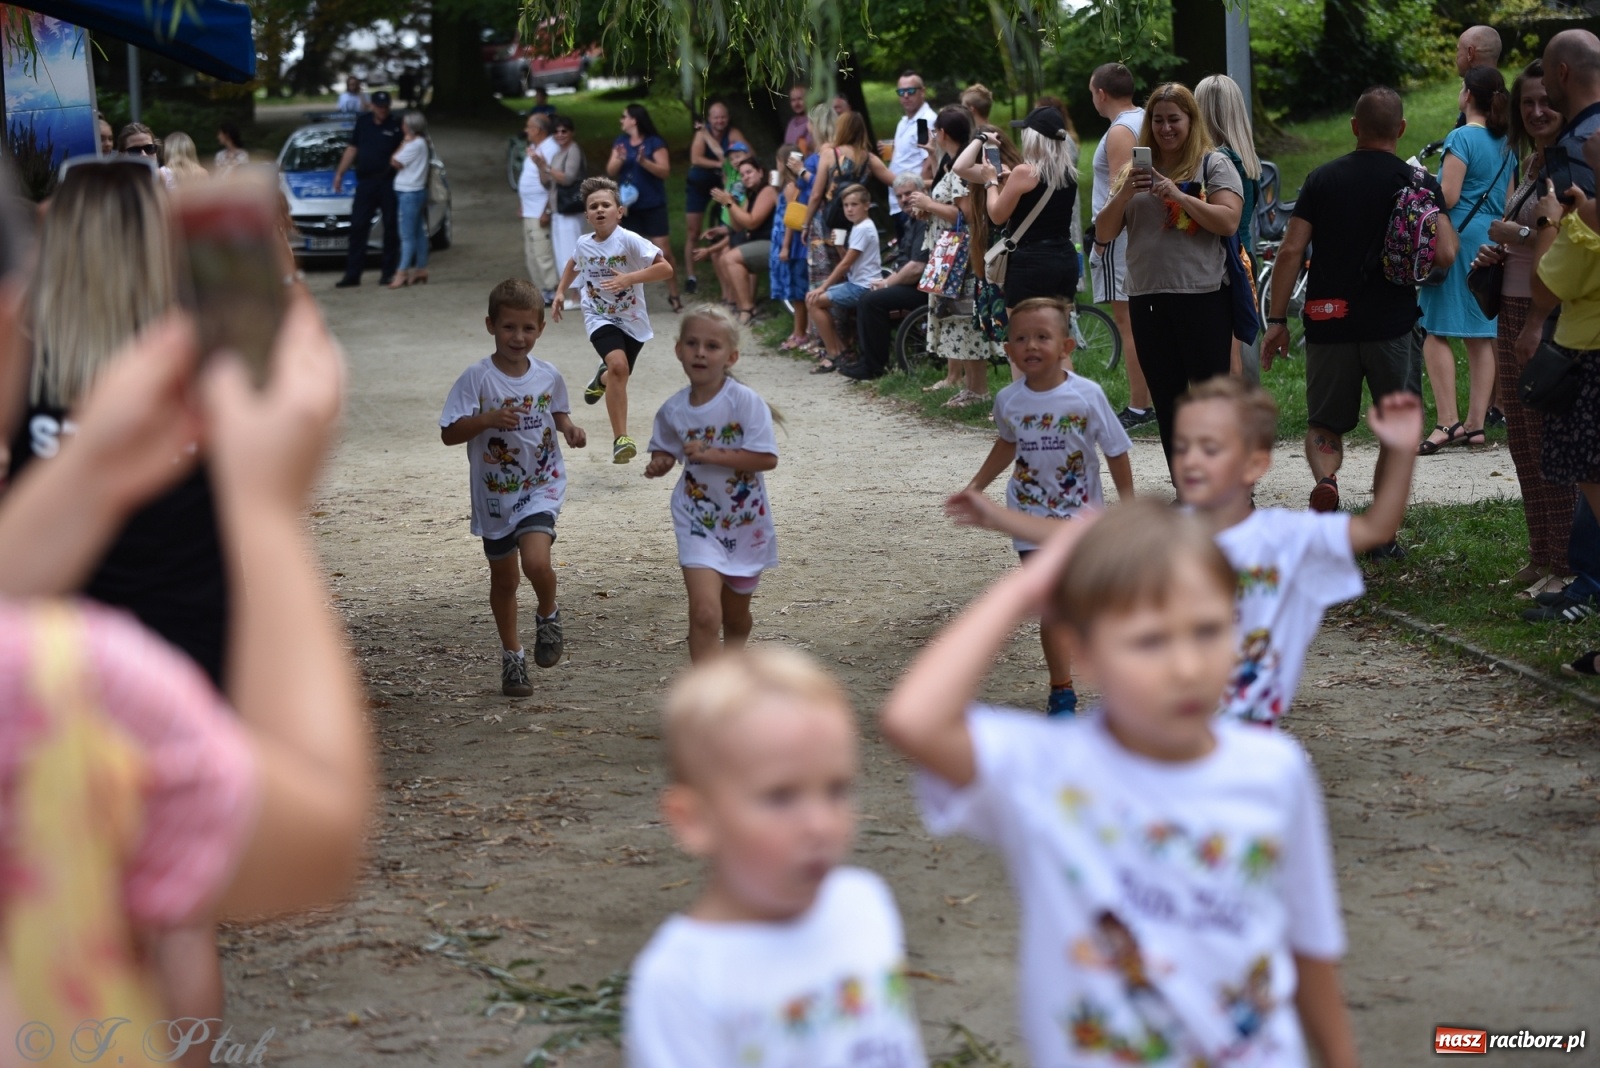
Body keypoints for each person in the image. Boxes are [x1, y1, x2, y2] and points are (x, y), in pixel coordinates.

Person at [0, 208, 369, 1059]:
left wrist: (82, 475)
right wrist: (267, 511)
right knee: (178, 917)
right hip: (182, 645)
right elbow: (318, 841)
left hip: (117, 619)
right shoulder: (54, 679)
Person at [880, 502, 1359, 1068]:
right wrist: (1030, 586)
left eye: (1209, 630)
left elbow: (1309, 945)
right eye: (1149, 641)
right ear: (1082, 653)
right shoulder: (1048, 770)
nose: (1185, 666)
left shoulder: (1275, 770)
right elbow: (913, 720)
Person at [946, 377, 1422, 726]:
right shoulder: (1167, 529)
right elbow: (1080, 535)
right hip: (1167, 722)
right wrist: (995, 516)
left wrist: (1400, 450)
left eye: (1209, 448)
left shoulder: (1285, 536)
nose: (1191, 459)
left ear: (1255, 463)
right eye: (1183, 447)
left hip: (1250, 735)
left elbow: (1378, 527)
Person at [625, 648, 925, 1065]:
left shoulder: (864, 905)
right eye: (780, 797)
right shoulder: (682, 981)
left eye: (837, 789)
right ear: (693, 820)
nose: (820, 825)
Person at [1263, 87, 1456, 516]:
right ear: (1401, 129)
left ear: (1354, 128)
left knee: (1324, 424)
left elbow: (1291, 251)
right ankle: (1381, 525)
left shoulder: (1322, 179)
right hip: (1391, 323)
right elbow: (1445, 253)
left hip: (1328, 320)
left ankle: (1327, 480)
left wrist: (1277, 320)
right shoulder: (1419, 182)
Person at [958, 297, 1133, 717]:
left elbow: (1116, 450)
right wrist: (976, 487)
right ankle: (1062, 690)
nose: (1030, 345)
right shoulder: (1009, 400)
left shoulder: (1087, 396)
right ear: (1007, 350)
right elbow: (1007, 443)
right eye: (1020, 338)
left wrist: (1129, 512)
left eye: (1042, 337)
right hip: (1029, 517)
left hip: (1082, 521)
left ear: (1066, 346)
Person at [440, 279, 585, 696]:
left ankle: (547, 615)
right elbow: (450, 433)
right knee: (504, 581)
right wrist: (485, 420)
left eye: (527, 328)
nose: (518, 337)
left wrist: (570, 428)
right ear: (491, 325)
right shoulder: (477, 379)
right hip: (495, 495)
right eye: (508, 328)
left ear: (540, 328)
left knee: (537, 563)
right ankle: (513, 658)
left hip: (540, 482)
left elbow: (557, 411)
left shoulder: (548, 375)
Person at [1094, 82, 1243, 468]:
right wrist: (1124, 193)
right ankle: (1186, 486)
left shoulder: (1214, 164)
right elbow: (1105, 233)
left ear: (1191, 120)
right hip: (1147, 299)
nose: (1165, 129)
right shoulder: (1133, 170)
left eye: (1174, 119)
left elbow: (1228, 221)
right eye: (1158, 120)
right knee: (1168, 399)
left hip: (1203, 296)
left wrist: (1179, 196)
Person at [1470, 61, 1577, 590]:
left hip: (1549, 315)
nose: (1536, 112)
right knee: (1522, 442)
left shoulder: (1571, 166)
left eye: (1546, 102)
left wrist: (1509, 231)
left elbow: (1568, 240)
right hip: (1512, 310)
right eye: (1527, 104)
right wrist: (1498, 249)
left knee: (1549, 442)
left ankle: (1565, 564)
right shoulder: (1532, 162)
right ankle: (1541, 553)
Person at [644, 307, 780, 662]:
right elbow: (666, 448)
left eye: (712, 346)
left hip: (744, 523)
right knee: (705, 615)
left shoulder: (745, 402)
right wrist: (661, 462)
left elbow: (766, 459)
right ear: (678, 350)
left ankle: (732, 670)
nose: (700, 352)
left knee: (735, 619)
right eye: (692, 343)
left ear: (730, 356)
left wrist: (713, 453)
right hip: (697, 518)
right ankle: (708, 702)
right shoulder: (673, 410)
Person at [1520, 135, 1600, 624]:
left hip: (1588, 360)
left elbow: (1545, 286)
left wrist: (1550, 221)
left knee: (1592, 479)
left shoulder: (1586, 223)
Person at [1417, 67, 1511, 454]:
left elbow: (1450, 197)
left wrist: (1423, 177)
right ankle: (1475, 425)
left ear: (1469, 94)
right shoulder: (1507, 141)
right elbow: (1507, 201)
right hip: (1491, 239)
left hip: (1456, 240)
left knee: (1433, 328)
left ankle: (1446, 421)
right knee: (1481, 334)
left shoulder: (1460, 137)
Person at [553, 177, 675, 464]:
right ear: (587, 215)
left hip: (631, 319)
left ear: (619, 211)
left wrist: (629, 278)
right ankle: (621, 439)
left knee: (618, 374)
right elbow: (573, 262)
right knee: (619, 365)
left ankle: (602, 378)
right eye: (593, 206)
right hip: (598, 316)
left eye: (605, 205)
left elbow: (666, 269)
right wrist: (561, 291)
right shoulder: (584, 244)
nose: (599, 210)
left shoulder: (629, 240)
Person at [906, 105, 998, 407]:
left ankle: (978, 390)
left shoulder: (960, 166)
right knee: (958, 318)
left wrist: (929, 205)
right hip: (952, 252)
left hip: (962, 256)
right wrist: (929, 210)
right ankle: (971, 387)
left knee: (964, 317)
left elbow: (968, 214)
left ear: (942, 133)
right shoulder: (952, 163)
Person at [955, 105, 1080, 307]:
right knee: (1056, 330)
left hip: (1031, 263)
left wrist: (990, 182)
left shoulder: (1024, 172)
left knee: (1024, 333)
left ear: (1034, 138)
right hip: (1065, 258)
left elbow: (996, 215)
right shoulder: (1069, 174)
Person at [1087, 63, 1153, 429]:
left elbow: (1120, 190)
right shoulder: (1144, 118)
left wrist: (1102, 240)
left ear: (1101, 93)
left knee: (1128, 323)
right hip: (1139, 233)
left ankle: (1139, 406)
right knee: (1141, 322)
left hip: (1120, 236)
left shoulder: (1119, 132)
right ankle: (1151, 398)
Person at [1196, 75, 1263, 382]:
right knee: (1236, 349)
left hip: (1226, 259)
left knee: (1227, 355)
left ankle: (1234, 422)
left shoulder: (1217, 161)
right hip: (1244, 254)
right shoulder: (1245, 158)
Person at [839, 173, 929, 381]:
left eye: (908, 193)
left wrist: (887, 283)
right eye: (899, 196)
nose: (904, 199)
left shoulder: (925, 221)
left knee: (872, 300)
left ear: (922, 192)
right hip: (910, 283)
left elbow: (916, 267)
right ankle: (868, 361)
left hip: (924, 289)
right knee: (868, 298)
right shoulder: (912, 220)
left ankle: (874, 367)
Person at [607, 104, 683, 311]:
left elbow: (664, 171)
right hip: (629, 206)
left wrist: (644, 161)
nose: (621, 120)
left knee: (664, 252)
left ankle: (674, 293)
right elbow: (610, 170)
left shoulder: (654, 143)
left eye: (624, 117)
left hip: (653, 204)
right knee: (624, 253)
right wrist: (621, 160)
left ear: (635, 120)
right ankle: (624, 297)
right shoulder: (621, 143)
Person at [804, 184, 879, 373]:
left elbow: (845, 265)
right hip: (857, 282)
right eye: (846, 205)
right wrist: (839, 246)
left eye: (854, 204)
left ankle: (834, 354)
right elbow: (851, 261)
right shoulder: (859, 226)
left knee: (814, 301)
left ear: (866, 205)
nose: (850, 209)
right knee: (813, 300)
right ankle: (840, 351)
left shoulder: (863, 228)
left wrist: (822, 287)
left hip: (863, 287)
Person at [331, 90, 402, 288]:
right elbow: (352, 148)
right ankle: (352, 275)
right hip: (366, 182)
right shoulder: (363, 123)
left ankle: (388, 273)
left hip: (389, 182)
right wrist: (340, 173)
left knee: (391, 228)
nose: (383, 110)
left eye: (386, 106)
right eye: (379, 106)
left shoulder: (396, 125)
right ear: (372, 106)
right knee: (358, 227)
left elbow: (407, 145)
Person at [699, 156, 777, 325]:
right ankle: (744, 307)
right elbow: (739, 226)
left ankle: (747, 309)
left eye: (749, 172)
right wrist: (730, 204)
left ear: (760, 172)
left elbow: (752, 221)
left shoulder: (768, 191)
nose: (746, 177)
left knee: (730, 257)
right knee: (728, 256)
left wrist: (730, 204)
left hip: (774, 244)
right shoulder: (751, 195)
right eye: (742, 175)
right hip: (758, 242)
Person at [685, 101, 749, 295]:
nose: (720, 121)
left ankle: (727, 273)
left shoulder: (733, 135)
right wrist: (721, 163)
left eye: (723, 117)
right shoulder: (702, 134)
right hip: (698, 184)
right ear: (709, 119)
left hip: (723, 185)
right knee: (693, 231)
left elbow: (741, 155)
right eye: (716, 117)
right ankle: (691, 276)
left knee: (728, 223)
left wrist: (725, 165)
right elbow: (696, 159)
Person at [769, 143, 812, 349]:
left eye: (778, 161)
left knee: (797, 290)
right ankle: (801, 331)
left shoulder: (790, 187)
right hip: (787, 241)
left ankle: (800, 333)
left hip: (793, 243)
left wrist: (785, 246)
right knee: (795, 290)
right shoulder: (788, 186)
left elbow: (790, 219)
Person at [889, 70, 937, 246]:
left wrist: (917, 193)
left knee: (914, 255)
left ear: (922, 91)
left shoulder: (926, 121)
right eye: (901, 92)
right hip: (900, 200)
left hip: (912, 200)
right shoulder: (904, 121)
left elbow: (929, 160)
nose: (906, 96)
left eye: (911, 91)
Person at [545, 117, 587, 309]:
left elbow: (568, 178)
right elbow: (548, 181)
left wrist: (546, 168)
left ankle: (578, 294)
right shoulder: (558, 154)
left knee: (572, 251)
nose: (560, 135)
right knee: (562, 252)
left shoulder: (573, 151)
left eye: (564, 131)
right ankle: (573, 292)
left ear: (571, 132)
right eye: (557, 131)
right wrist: (541, 166)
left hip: (570, 209)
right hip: (558, 209)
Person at [520, 112, 560, 301]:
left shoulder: (551, 148)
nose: (526, 130)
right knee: (531, 252)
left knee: (542, 252)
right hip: (529, 208)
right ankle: (540, 289)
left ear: (538, 130)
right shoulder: (536, 147)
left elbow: (552, 181)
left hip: (539, 208)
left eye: (529, 127)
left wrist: (547, 209)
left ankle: (551, 289)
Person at [390, 110, 432, 288]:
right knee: (418, 232)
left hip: (409, 193)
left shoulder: (414, 144)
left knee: (406, 235)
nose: (402, 127)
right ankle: (421, 268)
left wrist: (403, 142)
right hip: (415, 191)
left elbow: (395, 162)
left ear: (411, 128)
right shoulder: (423, 142)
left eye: (405, 124)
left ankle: (402, 271)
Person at [783, 84, 812, 151]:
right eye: (793, 100)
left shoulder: (813, 121)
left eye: (800, 99)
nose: (796, 103)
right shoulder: (791, 123)